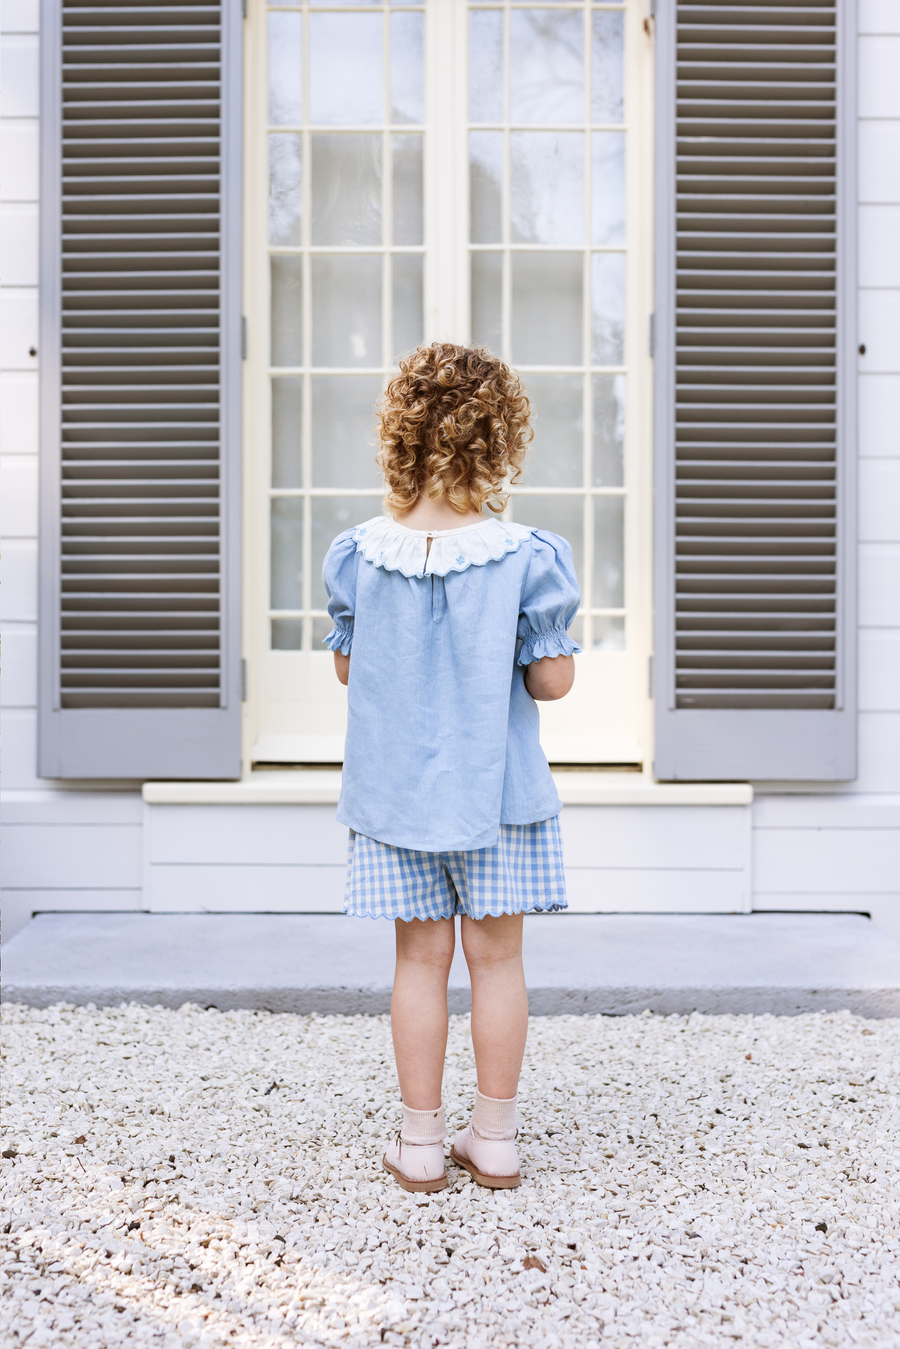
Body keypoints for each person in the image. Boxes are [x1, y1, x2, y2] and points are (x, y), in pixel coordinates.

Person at [322, 342, 580, 1193]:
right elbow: (551, 680)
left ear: (399, 440)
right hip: (495, 797)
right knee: (498, 962)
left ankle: (422, 1141)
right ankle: (496, 1137)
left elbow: (351, 670)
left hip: (398, 799)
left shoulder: (358, 554)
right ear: (500, 442)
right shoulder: (527, 555)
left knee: (417, 963)